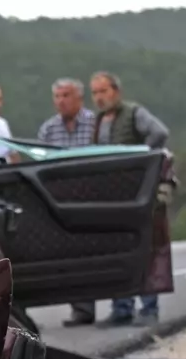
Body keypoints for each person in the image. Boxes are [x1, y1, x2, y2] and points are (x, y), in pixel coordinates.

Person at [88, 70, 171, 327]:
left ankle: (148, 309)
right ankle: (121, 308)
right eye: (95, 93)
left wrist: (141, 160)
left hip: (140, 193)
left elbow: (159, 133)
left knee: (146, 248)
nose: (99, 97)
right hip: (113, 194)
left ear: (116, 91)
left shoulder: (134, 113)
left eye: (103, 91)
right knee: (119, 250)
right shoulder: (99, 121)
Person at [37, 79, 101, 327]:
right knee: (72, 253)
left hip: (92, 196)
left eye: (66, 95)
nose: (61, 101)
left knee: (95, 251)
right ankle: (81, 309)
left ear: (79, 98)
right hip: (61, 199)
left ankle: (121, 307)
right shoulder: (48, 129)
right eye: (57, 96)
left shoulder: (95, 124)